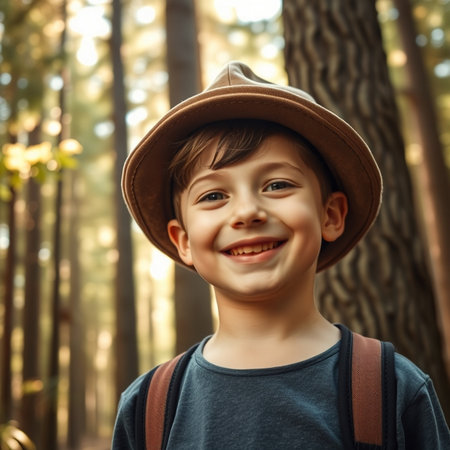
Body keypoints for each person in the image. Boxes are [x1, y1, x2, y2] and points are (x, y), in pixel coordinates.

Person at [113, 61, 449, 449]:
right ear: (183, 239)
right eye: (213, 196)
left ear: (330, 215)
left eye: (276, 184)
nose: (246, 213)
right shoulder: (149, 408)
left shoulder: (392, 389)